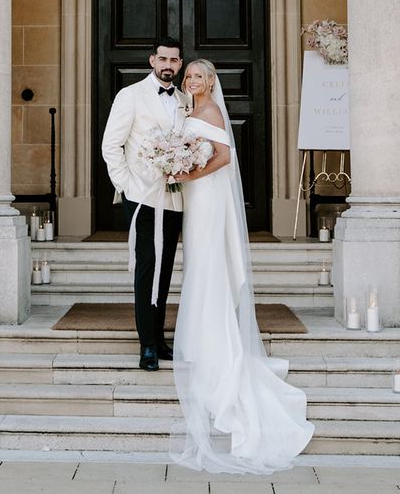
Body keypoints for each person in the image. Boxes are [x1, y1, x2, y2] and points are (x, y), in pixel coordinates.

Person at [170, 59, 314, 473]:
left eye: (198, 76)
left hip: (208, 195)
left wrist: (190, 172)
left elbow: (225, 157)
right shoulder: (190, 111)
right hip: (197, 197)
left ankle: (213, 340)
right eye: (189, 76)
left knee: (208, 260)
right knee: (198, 260)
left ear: (210, 81)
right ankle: (202, 331)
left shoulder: (211, 110)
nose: (192, 81)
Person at [101, 37, 190, 371]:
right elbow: (111, 146)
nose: (168, 65)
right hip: (141, 198)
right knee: (146, 268)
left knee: (165, 268)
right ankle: (147, 344)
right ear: (153, 60)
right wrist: (126, 186)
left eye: (174, 60)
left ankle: (160, 337)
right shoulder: (131, 95)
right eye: (163, 59)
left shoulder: (184, 99)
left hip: (175, 199)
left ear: (180, 64)